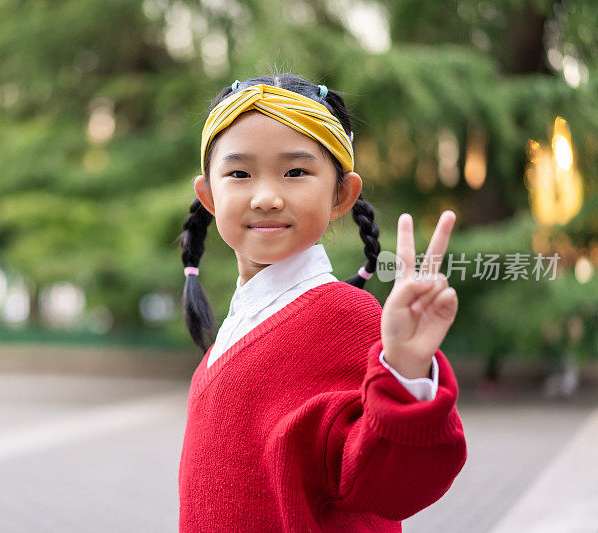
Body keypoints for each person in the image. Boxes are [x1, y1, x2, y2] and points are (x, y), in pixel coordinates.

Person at [177, 74, 467, 532]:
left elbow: (392, 487)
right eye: (239, 173)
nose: (267, 197)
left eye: (295, 172)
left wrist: (406, 372)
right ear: (209, 196)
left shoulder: (346, 318)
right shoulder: (233, 332)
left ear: (341, 195)